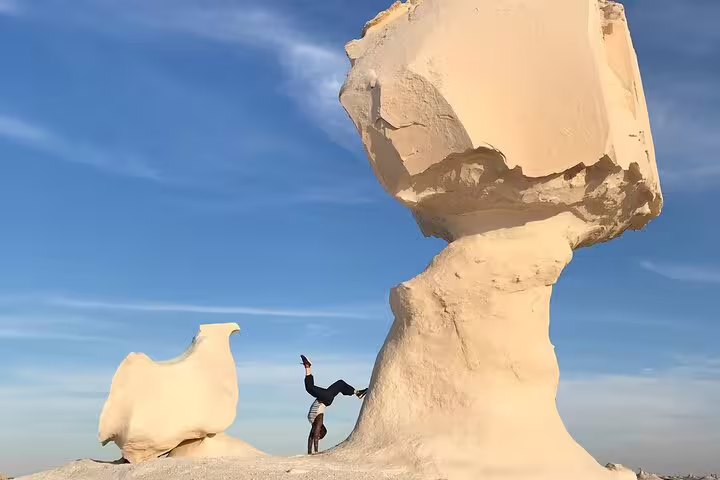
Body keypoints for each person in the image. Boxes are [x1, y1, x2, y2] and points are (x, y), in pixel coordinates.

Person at [301, 354, 367, 455]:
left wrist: (310, 453)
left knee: (340, 384)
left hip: (325, 398)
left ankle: (356, 392)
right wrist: (315, 452)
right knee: (310, 388)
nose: (317, 437)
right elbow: (314, 436)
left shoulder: (313, 423)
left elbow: (311, 438)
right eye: (319, 436)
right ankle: (308, 366)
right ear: (321, 430)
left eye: (318, 436)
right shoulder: (318, 419)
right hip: (325, 399)